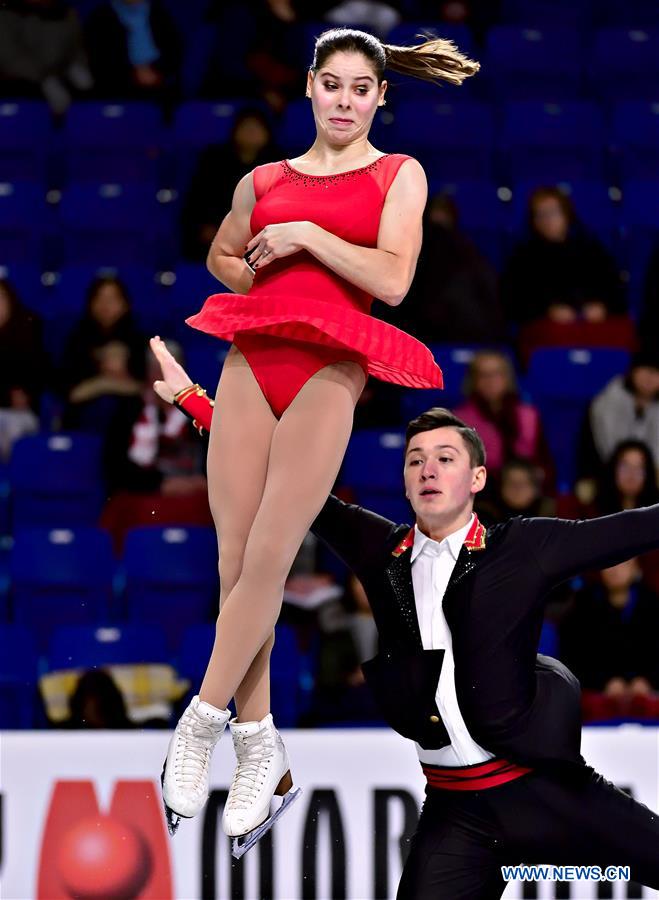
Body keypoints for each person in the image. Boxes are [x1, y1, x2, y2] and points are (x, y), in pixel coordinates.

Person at [153, 349, 659, 896]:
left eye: (445, 458)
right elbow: (285, 480)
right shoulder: (383, 551)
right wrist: (195, 404)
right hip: (456, 809)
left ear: (478, 478)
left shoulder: (522, 548)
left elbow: (628, 530)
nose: (428, 469)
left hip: (548, 792)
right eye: (415, 460)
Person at [159, 26, 479, 852]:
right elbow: (224, 256)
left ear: (379, 98)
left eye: (359, 89)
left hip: (331, 370)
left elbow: (393, 280)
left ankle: (201, 722)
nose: (343, 100)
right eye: (331, 85)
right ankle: (262, 751)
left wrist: (306, 238)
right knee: (233, 565)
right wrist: (260, 275)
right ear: (309, 87)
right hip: (248, 361)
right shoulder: (261, 178)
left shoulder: (396, 175)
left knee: (269, 557)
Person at [180, 108, 281, 262]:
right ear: (235, 131)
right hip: (216, 235)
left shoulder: (279, 165)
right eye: (246, 127)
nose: (251, 132)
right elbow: (198, 200)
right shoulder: (213, 161)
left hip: (262, 238)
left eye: (256, 127)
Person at [453, 349, 551, 481]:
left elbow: (544, 463)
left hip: (525, 488)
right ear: (473, 380)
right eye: (483, 375)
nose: (490, 380)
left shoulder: (528, 415)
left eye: (496, 374)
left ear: (507, 378)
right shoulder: (460, 419)